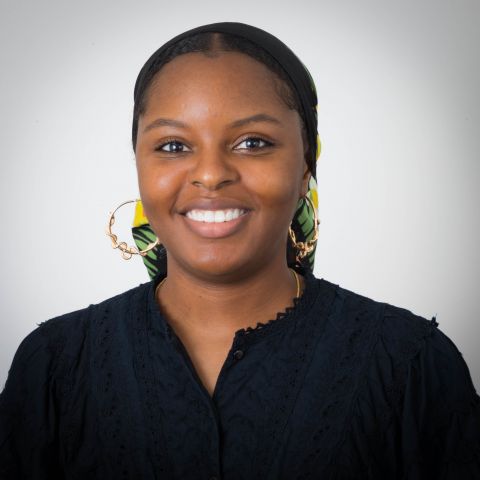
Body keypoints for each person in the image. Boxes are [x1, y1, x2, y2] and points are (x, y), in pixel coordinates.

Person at [0, 21, 479, 480]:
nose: (210, 174)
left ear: (307, 164)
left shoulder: (411, 365)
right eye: (172, 146)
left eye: (253, 142)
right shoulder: (54, 367)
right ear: (138, 165)